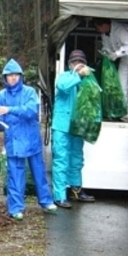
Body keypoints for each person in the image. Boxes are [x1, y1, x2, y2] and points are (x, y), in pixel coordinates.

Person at [0, 58, 57, 221]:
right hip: (13, 141)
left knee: (38, 173)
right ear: (5, 77)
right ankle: (15, 208)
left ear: (20, 76)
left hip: (31, 138)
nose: (12, 78)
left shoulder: (29, 92)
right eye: (9, 75)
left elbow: (31, 111)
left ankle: (46, 201)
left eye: (15, 75)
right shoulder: (0, 96)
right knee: (15, 175)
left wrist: (9, 110)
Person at [50, 49, 95, 208]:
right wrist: (78, 75)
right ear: (70, 64)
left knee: (76, 159)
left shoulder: (88, 79)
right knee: (61, 160)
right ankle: (59, 195)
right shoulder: (64, 77)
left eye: (81, 62)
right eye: (75, 62)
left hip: (77, 126)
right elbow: (63, 87)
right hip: (61, 126)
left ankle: (76, 189)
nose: (78, 65)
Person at [93, 18, 128, 122]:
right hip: (124, 57)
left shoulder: (121, 29)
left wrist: (116, 54)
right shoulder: (105, 33)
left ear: (105, 24)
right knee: (121, 84)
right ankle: (122, 111)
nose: (98, 30)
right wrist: (106, 52)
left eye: (98, 27)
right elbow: (107, 46)